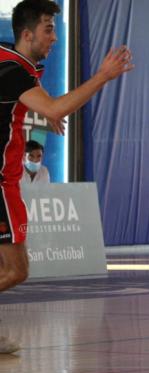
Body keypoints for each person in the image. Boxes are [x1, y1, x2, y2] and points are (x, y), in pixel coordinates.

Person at [0, 0, 133, 354]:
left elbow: (23, 106)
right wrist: (103, 76)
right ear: (28, 35)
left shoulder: (7, 60)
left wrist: (43, 114)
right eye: (49, 29)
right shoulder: (16, 73)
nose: (55, 38)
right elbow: (57, 106)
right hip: (0, 184)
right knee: (16, 270)